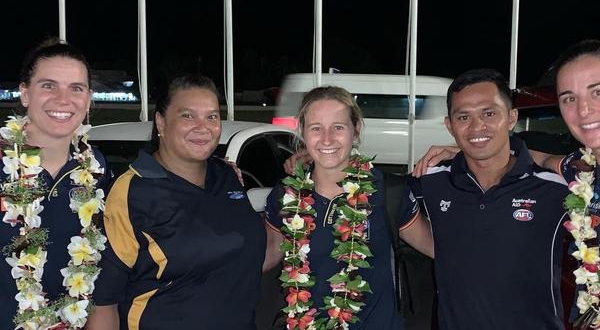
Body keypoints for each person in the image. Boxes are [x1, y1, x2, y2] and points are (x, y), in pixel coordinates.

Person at [415, 41, 600, 329]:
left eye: (598, 92)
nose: (584, 110)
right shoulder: (582, 172)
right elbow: (545, 158)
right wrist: (468, 149)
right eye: (568, 98)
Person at [87, 74, 265, 330]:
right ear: (161, 122)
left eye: (212, 116)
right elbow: (103, 301)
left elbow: (243, 254)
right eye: (188, 115)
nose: (202, 127)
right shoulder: (133, 191)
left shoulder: (226, 176)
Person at [407, 69, 568, 329]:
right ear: (449, 125)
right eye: (463, 117)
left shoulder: (555, 186)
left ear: (512, 117)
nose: (477, 126)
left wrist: (542, 157)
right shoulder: (430, 180)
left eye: (489, 113)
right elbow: (379, 199)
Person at [263, 86, 433, 329]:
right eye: (316, 128)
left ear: (356, 130)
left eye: (338, 127)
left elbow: (439, 248)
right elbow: (268, 251)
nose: (327, 139)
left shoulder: (387, 191)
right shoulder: (286, 194)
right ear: (303, 132)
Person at [0, 39, 110, 329]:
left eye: (76, 88)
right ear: (25, 93)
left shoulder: (95, 167)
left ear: (88, 98)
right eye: (48, 85)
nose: (64, 99)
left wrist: (217, 168)